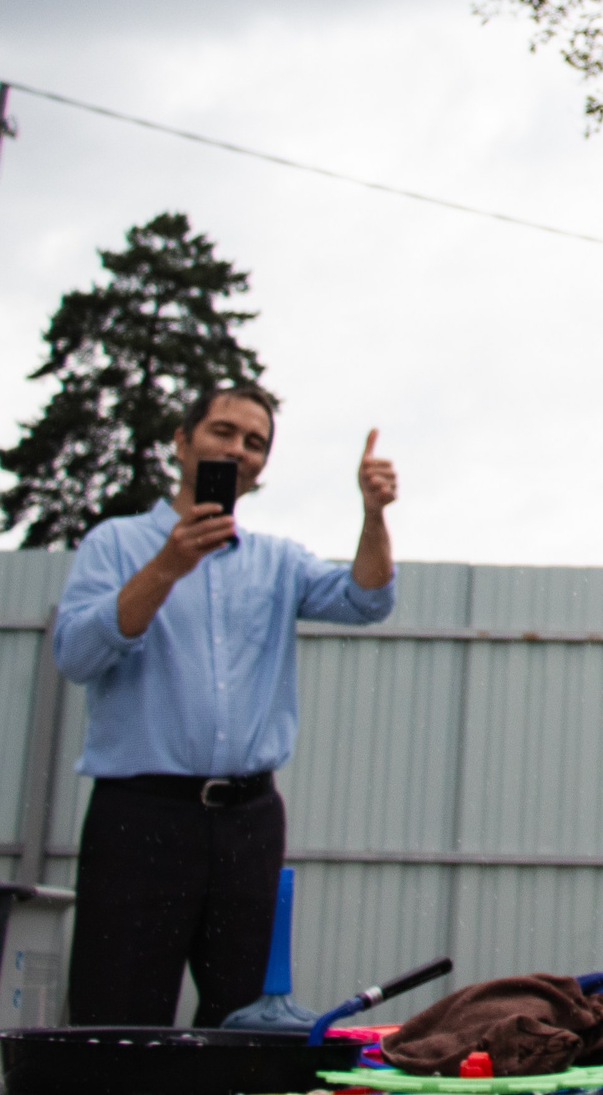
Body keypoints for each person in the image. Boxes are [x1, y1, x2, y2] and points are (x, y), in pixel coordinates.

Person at [51, 382, 400, 1027]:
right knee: (118, 1019)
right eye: (223, 432)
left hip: (248, 822)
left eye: (255, 442)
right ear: (181, 442)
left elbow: (366, 600)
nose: (239, 449)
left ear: (261, 467)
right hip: (139, 818)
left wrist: (373, 516)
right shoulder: (115, 545)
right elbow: (75, 655)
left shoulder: (277, 561)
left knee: (244, 1023)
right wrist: (166, 567)